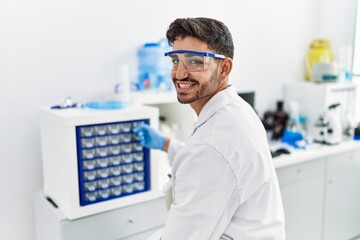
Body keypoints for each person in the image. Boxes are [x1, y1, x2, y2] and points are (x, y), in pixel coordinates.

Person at [134, 17, 285, 240]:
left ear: (224, 68)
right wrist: (166, 144)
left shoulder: (212, 145)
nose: (180, 73)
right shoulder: (237, 110)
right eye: (175, 60)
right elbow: (214, 162)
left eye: (195, 61)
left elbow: (210, 157)